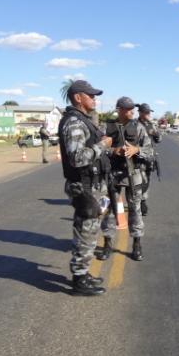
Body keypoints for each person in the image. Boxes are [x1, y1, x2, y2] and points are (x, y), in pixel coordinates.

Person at [58, 80, 112, 296]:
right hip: (84, 187)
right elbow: (78, 158)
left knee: (89, 233)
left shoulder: (84, 121)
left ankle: (84, 273)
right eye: (91, 95)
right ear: (78, 97)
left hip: (92, 185)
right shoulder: (74, 123)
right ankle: (79, 281)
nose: (94, 99)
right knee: (85, 234)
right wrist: (103, 145)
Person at [97, 97, 152, 262]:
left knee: (135, 210)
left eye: (132, 109)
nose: (132, 111)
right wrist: (114, 151)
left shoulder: (139, 127)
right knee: (108, 210)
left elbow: (149, 151)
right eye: (128, 109)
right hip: (111, 174)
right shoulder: (106, 127)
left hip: (132, 175)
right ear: (119, 109)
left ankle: (136, 244)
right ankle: (107, 244)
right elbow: (96, 149)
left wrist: (137, 149)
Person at [136, 103, 162, 216]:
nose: (148, 114)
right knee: (140, 182)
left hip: (150, 159)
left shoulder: (151, 125)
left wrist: (155, 132)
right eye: (146, 112)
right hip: (139, 159)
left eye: (149, 112)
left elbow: (159, 140)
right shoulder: (135, 125)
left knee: (147, 181)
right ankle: (141, 203)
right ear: (140, 113)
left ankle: (143, 200)